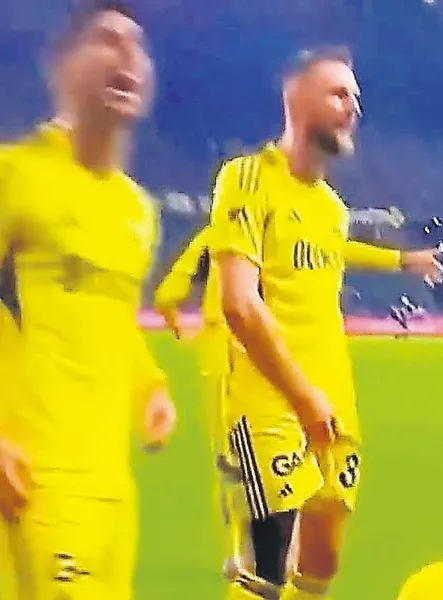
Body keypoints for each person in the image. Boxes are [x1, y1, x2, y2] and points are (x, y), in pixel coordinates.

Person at [209, 46, 442, 600]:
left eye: (355, 96)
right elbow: (239, 303)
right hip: (270, 402)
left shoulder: (331, 207)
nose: (353, 106)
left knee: (322, 560)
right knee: (267, 570)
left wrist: (403, 260)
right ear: (297, 98)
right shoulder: (248, 178)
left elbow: (339, 251)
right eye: (338, 93)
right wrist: (303, 397)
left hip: (333, 398)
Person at [0, 2, 176, 599]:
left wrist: (150, 386)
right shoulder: (16, 176)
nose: (128, 54)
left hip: (111, 491)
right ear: (60, 66)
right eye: (106, 39)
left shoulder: (137, 212)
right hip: (35, 478)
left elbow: (113, 321)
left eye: (138, 44)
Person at [154, 225, 254, 576]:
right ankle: (267, 546)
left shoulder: (212, 239)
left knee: (230, 463)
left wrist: (180, 328)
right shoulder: (270, 231)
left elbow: (166, 295)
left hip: (218, 359)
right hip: (261, 356)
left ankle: (235, 550)